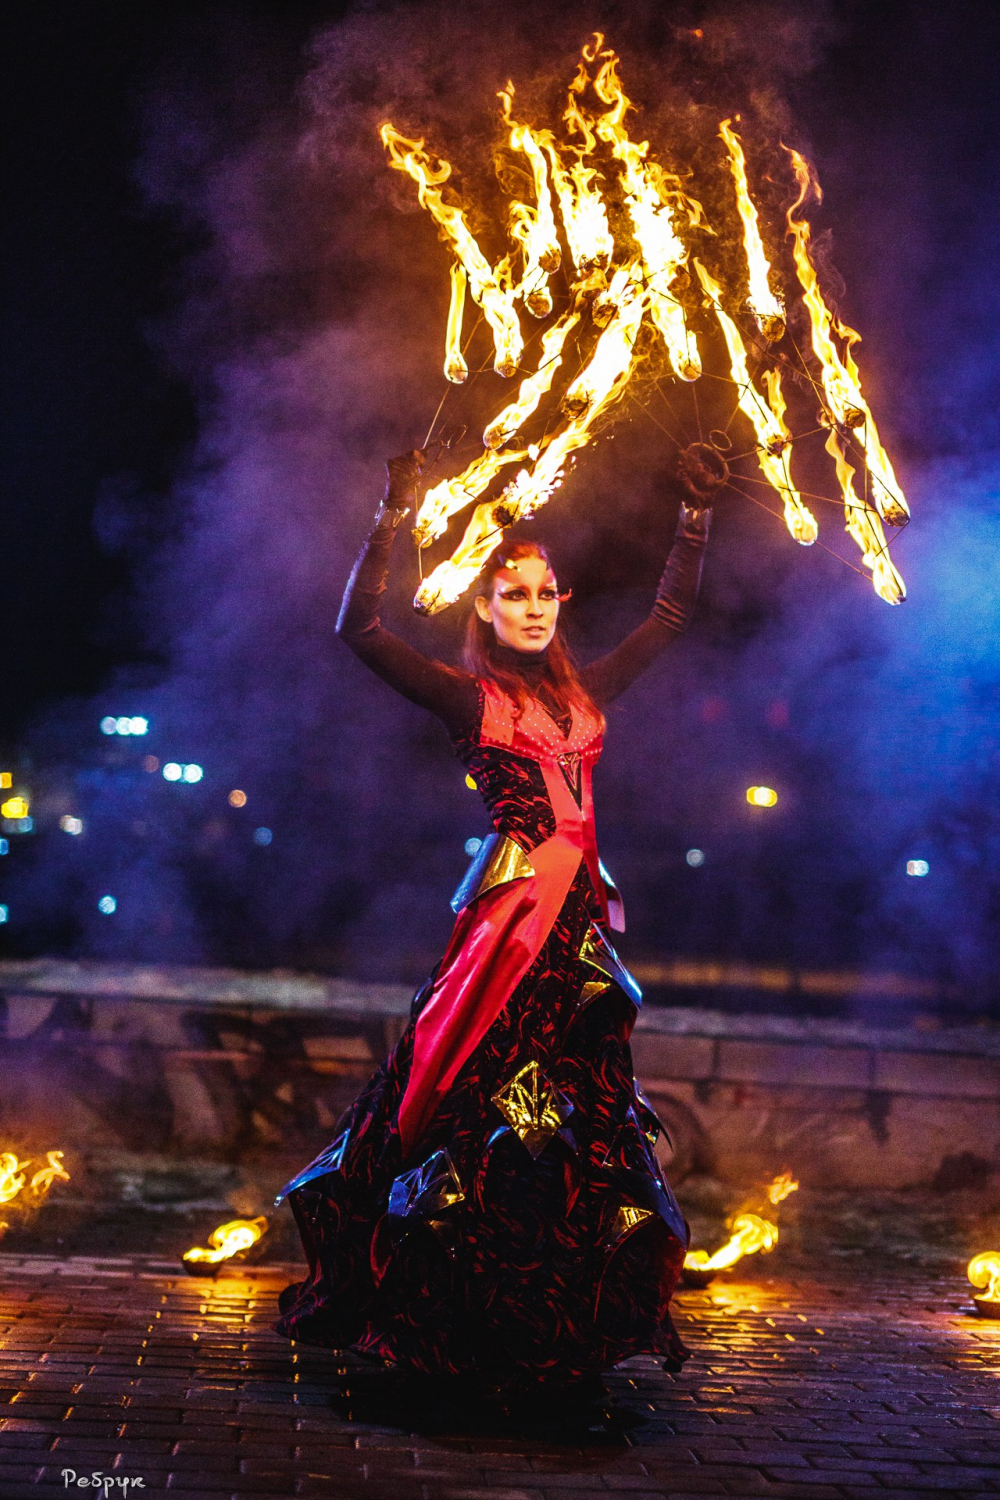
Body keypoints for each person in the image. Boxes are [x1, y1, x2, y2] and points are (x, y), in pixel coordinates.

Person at [274, 449, 713, 1400]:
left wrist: (693, 516)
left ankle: (556, 1323)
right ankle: (456, 1318)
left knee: (576, 1124)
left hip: (577, 930)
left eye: (547, 592)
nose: (535, 607)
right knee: (476, 1110)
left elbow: (670, 617)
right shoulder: (471, 698)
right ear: (483, 606)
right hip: (508, 932)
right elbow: (358, 627)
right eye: (514, 594)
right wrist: (393, 510)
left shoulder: (585, 697)